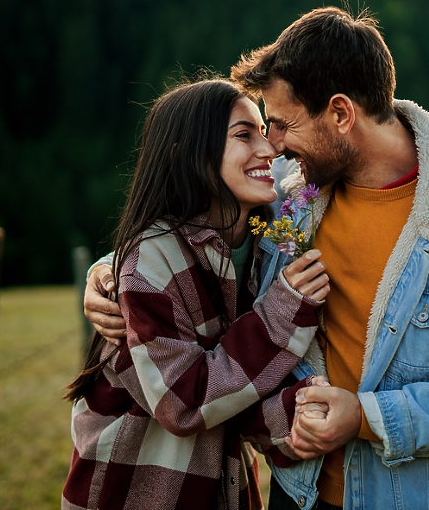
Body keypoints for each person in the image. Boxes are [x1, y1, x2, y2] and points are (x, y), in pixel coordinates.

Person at [86, 7, 429, 510]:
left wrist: (365, 417)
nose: (273, 146)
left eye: (281, 124)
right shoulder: (288, 201)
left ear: (340, 114)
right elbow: (193, 233)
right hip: (303, 495)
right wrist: (109, 273)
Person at [62, 78, 333, 510]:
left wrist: (298, 414)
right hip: (133, 493)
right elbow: (183, 401)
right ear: (191, 154)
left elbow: (238, 389)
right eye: (244, 135)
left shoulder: (269, 249)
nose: (268, 149)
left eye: (263, 132)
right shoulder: (148, 261)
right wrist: (282, 313)